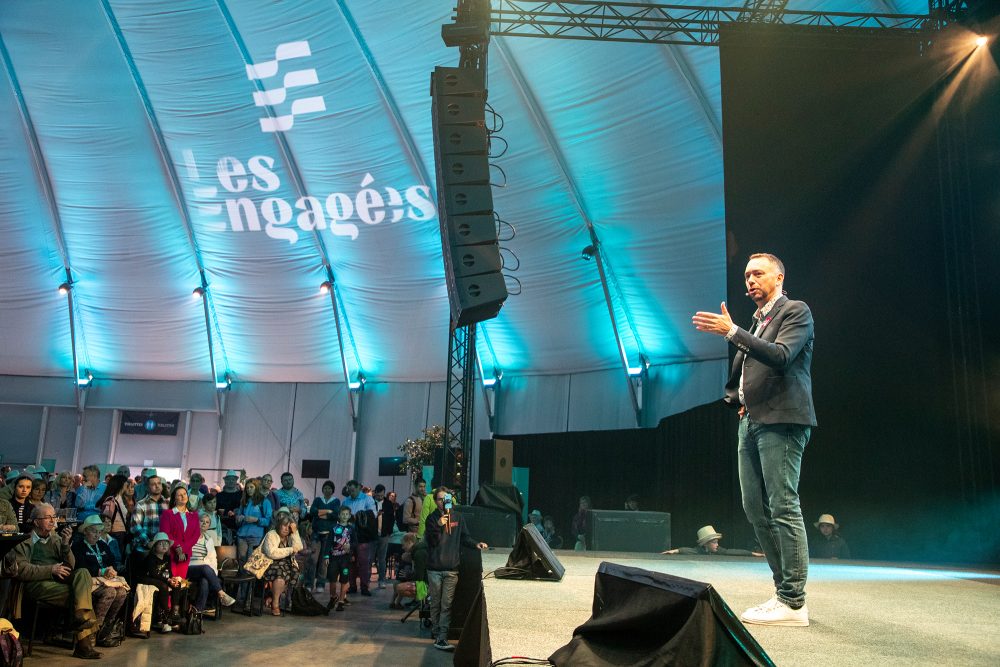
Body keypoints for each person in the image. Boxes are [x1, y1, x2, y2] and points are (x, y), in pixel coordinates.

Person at [692, 252, 816, 627]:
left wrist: (731, 332)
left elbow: (781, 356)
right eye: (747, 275)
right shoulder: (756, 322)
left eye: (758, 273)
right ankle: (783, 593)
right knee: (754, 508)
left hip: (782, 420)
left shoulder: (795, 311)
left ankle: (794, 601)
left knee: (783, 506)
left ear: (779, 277)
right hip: (751, 421)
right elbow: (749, 368)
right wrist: (736, 400)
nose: (750, 280)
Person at [13, 503, 101, 659]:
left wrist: (66, 545)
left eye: (54, 516)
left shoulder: (56, 538)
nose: (52, 520)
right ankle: (83, 644)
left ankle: (80, 618)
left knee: (83, 573)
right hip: (36, 584)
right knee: (80, 595)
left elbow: (71, 566)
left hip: (58, 580)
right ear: (36, 521)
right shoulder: (24, 541)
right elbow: (22, 571)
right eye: (47, 517)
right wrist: (50, 570)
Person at [424, 488, 488, 652]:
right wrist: (439, 525)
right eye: (439, 499)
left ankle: (442, 637)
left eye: (446, 498)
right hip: (435, 568)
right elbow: (431, 541)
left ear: (450, 499)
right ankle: (436, 632)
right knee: (436, 603)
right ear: (435, 500)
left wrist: (476, 544)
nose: (443, 502)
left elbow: (465, 537)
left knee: (447, 604)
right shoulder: (432, 519)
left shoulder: (458, 517)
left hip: (452, 568)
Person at [71, 515, 129, 647]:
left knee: (121, 593)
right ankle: (92, 632)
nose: (97, 535)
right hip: (88, 581)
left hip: (105, 580)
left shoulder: (102, 545)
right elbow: (80, 567)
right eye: (93, 531)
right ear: (85, 531)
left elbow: (113, 562)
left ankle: (105, 630)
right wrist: (100, 571)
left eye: (99, 532)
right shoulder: (78, 546)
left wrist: (112, 570)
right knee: (109, 593)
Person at [135, 532, 186, 633]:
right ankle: (164, 618)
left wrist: (172, 579)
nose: (164, 546)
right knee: (163, 586)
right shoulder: (151, 558)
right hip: (146, 578)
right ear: (155, 546)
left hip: (160, 579)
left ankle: (174, 613)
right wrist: (168, 580)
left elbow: (169, 572)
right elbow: (153, 573)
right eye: (161, 544)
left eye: (166, 544)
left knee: (177, 584)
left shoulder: (167, 558)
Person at [187, 512, 237, 614]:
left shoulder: (208, 539)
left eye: (207, 522)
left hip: (204, 571)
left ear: (209, 526)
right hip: (189, 568)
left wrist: (212, 574)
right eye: (202, 521)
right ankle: (221, 594)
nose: (204, 524)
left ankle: (197, 612)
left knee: (205, 581)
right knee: (205, 568)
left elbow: (213, 559)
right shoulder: (188, 535)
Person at [235, 477, 272, 606]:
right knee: (242, 566)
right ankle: (242, 597)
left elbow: (268, 520)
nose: (249, 489)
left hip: (255, 536)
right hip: (241, 535)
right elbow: (238, 518)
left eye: (251, 487)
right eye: (247, 487)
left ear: (256, 487)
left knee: (251, 567)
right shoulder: (244, 501)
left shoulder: (264, 502)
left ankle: (248, 598)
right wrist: (239, 518)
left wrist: (256, 520)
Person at [129, 473, 169, 586]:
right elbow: (135, 527)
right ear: (147, 487)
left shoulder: (168, 504)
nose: (157, 486)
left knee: (165, 578)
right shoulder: (141, 504)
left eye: (159, 483)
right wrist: (149, 543)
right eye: (153, 484)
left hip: (163, 548)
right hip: (145, 547)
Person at [261, 513, 303, 616]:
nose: (286, 529)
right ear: (279, 525)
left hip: (287, 564)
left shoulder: (290, 535)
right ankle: (275, 603)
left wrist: (295, 532)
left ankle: (272, 597)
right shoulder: (271, 534)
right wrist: (290, 550)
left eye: (289, 527)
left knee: (295, 572)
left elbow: (299, 547)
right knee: (280, 574)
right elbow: (272, 553)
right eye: (284, 525)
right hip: (270, 563)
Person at [341, 479, 378, 596]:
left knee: (364, 562)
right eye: (349, 490)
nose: (351, 492)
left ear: (358, 488)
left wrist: (358, 516)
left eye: (353, 489)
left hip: (363, 536)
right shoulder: (345, 501)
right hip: (349, 535)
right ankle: (352, 586)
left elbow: (373, 514)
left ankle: (364, 587)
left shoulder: (367, 499)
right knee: (350, 562)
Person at [160, 485, 201, 580]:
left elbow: (196, 535)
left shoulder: (194, 515)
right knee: (171, 582)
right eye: (179, 495)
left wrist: (183, 548)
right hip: (171, 553)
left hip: (185, 554)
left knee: (181, 583)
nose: (183, 496)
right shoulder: (168, 514)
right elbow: (165, 533)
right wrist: (177, 547)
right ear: (174, 498)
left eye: (184, 494)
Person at [323, 505, 357, 612]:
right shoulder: (333, 528)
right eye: (342, 514)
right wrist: (326, 555)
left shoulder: (351, 529)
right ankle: (333, 597)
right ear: (339, 515)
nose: (344, 516)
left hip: (345, 559)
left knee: (344, 580)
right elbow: (328, 543)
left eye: (347, 514)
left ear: (349, 516)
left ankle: (341, 601)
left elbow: (355, 542)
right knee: (332, 579)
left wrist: (350, 547)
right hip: (334, 558)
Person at [309, 479, 340, 592]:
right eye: (325, 488)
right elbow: (312, 511)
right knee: (312, 559)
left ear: (332, 490)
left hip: (328, 534)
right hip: (316, 533)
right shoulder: (318, 499)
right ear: (322, 489)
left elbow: (335, 515)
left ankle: (320, 584)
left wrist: (320, 513)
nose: (327, 490)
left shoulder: (336, 501)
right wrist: (327, 511)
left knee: (324, 561)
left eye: (329, 488)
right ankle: (309, 583)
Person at [663, 525, 764, 556]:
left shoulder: (719, 550)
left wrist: (752, 554)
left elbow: (733, 551)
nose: (717, 545)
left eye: (717, 542)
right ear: (706, 544)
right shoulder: (698, 551)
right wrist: (674, 551)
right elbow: (685, 550)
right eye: (714, 542)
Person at [98, 475, 131, 557]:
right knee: (115, 557)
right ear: (121, 485)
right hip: (115, 532)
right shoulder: (112, 500)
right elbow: (106, 519)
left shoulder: (118, 498)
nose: (128, 486)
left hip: (118, 532)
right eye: (126, 484)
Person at [389, 532, 422, 609]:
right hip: (407, 576)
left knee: (398, 586)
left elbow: (418, 574)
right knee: (399, 585)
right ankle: (396, 603)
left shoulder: (414, 554)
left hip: (412, 579)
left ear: (410, 542)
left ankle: (394, 602)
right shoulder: (411, 553)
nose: (402, 547)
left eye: (403, 545)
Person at [374, 484, 395, 589]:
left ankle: (382, 579)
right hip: (372, 535)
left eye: (382, 495)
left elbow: (392, 519)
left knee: (382, 559)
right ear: (375, 493)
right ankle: (366, 582)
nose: (380, 497)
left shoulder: (388, 504)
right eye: (378, 495)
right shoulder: (371, 503)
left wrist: (389, 532)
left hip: (384, 534)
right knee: (369, 559)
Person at [215, 470, 243, 545]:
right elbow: (214, 510)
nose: (231, 481)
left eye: (233, 479)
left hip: (238, 528)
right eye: (228, 479)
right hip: (221, 527)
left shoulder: (242, 495)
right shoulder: (219, 495)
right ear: (225, 480)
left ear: (236, 480)